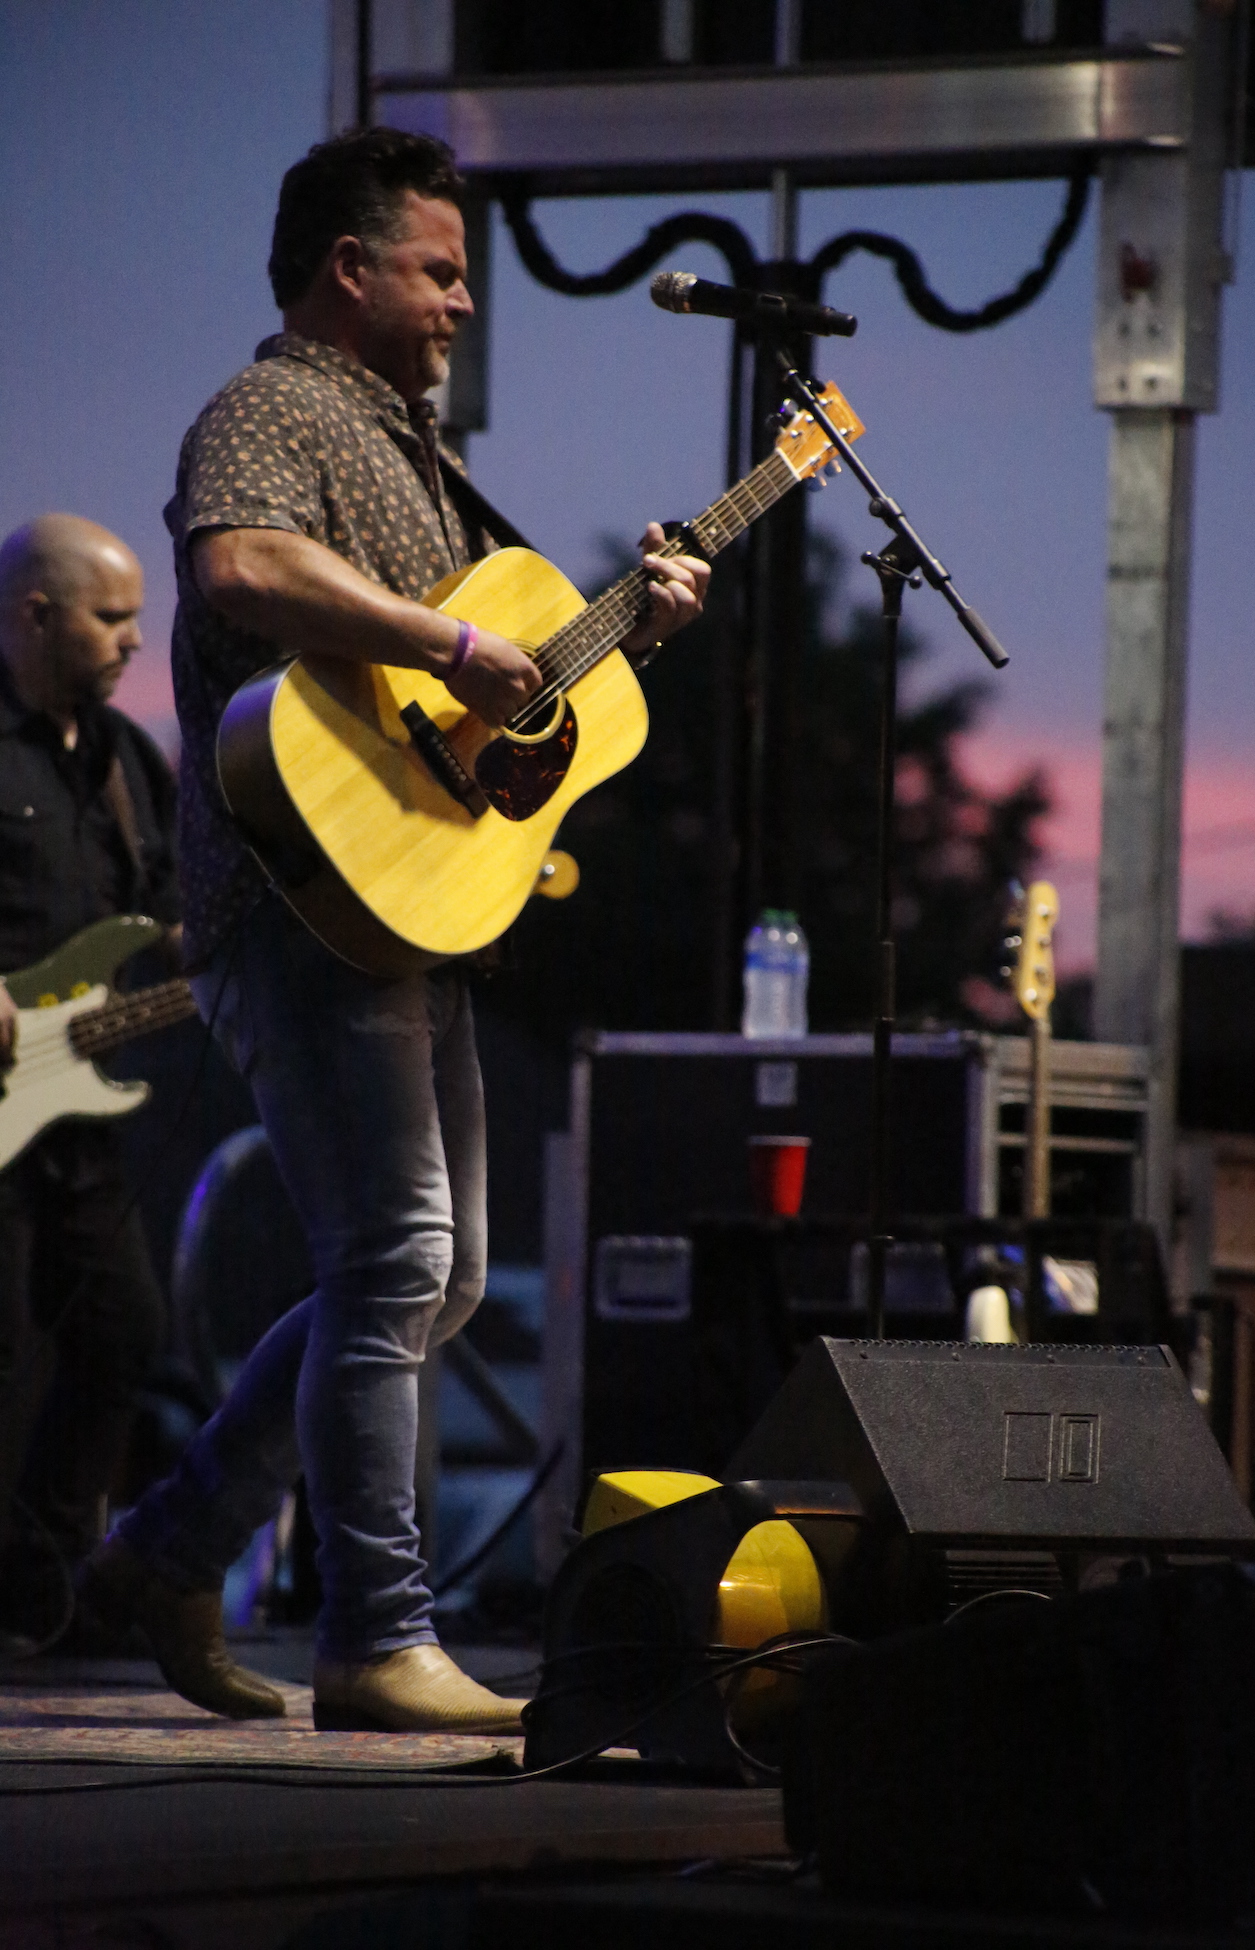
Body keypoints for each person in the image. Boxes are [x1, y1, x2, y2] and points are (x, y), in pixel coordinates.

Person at [81, 127, 711, 1731]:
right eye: (439, 270)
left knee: (433, 1278)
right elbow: (240, 561)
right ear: (349, 270)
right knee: (399, 1259)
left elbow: (467, 708)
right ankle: (377, 1630)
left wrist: (625, 617)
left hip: (407, 901)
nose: (462, 303)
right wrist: (446, 634)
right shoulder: (272, 408)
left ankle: (167, 1547)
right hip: (295, 902)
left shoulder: (415, 451)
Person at [0, 515, 179, 1652]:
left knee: (122, 1332)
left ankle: (44, 1580)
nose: (131, 639)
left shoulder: (127, 762)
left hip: (79, 1110)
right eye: (110, 618)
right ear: (33, 616)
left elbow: (163, 916)